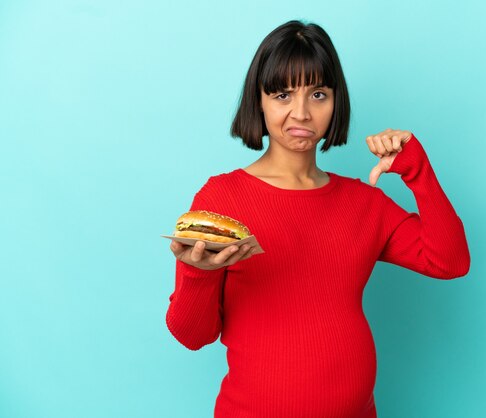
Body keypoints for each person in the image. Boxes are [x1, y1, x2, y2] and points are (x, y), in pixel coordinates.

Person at [166, 19, 470, 418]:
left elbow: (449, 261)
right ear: (258, 100)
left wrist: (418, 170)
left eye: (318, 94)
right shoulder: (223, 200)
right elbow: (192, 335)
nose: (302, 112)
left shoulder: (364, 203)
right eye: (282, 94)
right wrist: (197, 273)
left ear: (336, 101)